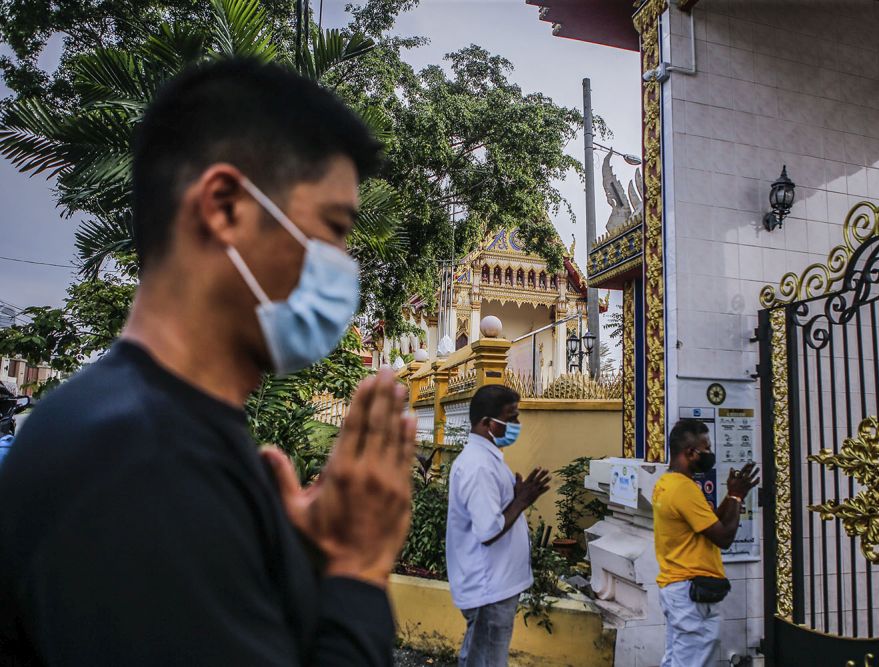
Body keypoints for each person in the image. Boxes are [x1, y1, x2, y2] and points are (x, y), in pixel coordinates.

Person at [0, 59, 416, 666]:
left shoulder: (156, 429)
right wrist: (359, 569)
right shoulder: (141, 463)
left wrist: (300, 564)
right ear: (223, 207)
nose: (343, 266)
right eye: (332, 228)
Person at [445, 385, 551, 667]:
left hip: (495, 585)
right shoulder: (478, 466)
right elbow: (489, 530)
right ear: (486, 423)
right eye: (510, 418)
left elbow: (491, 515)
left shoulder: (488, 460)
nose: (516, 425)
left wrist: (515, 498)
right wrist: (522, 501)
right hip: (488, 589)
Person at [652, 419, 760, 667]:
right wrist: (736, 496)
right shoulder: (683, 490)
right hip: (689, 594)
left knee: (676, 661)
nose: (711, 454)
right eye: (707, 448)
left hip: (677, 589)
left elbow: (709, 523)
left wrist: (731, 496)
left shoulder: (668, 484)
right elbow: (723, 537)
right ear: (691, 453)